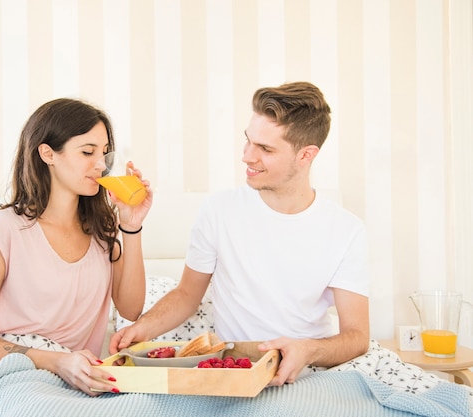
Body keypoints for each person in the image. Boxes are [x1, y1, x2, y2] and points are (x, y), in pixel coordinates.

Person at [109, 81, 370, 386]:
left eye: (265, 149)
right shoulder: (218, 212)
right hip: (238, 371)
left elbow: (357, 336)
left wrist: (308, 350)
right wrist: (141, 328)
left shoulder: (346, 230)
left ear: (305, 155)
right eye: (248, 141)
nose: (247, 156)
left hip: (312, 372)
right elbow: (186, 295)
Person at [0, 98, 153, 396]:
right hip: (11, 378)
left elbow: (131, 308)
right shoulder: (3, 230)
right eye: (87, 152)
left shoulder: (102, 229)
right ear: (48, 154)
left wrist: (131, 225)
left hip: (78, 382)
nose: (100, 165)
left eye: (103, 153)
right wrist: (58, 362)